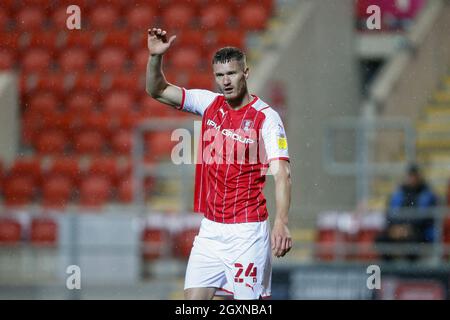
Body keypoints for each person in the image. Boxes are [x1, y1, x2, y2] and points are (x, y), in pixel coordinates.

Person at [146, 28, 292, 300]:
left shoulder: (266, 118)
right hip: (211, 230)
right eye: (220, 75)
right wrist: (155, 57)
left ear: (245, 73)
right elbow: (158, 90)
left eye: (232, 74)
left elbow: (282, 173)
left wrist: (282, 221)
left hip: (247, 233)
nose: (225, 81)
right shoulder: (209, 103)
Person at [376, 163, 438, 261]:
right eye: (410, 176)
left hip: (418, 230)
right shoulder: (398, 194)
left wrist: (408, 228)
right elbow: (389, 214)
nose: (412, 179)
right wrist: (396, 228)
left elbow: (427, 218)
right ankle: (387, 269)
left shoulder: (428, 195)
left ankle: (411, 271)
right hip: (397, 229)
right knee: (381, 238)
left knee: (413, 241)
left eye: (414, 176)